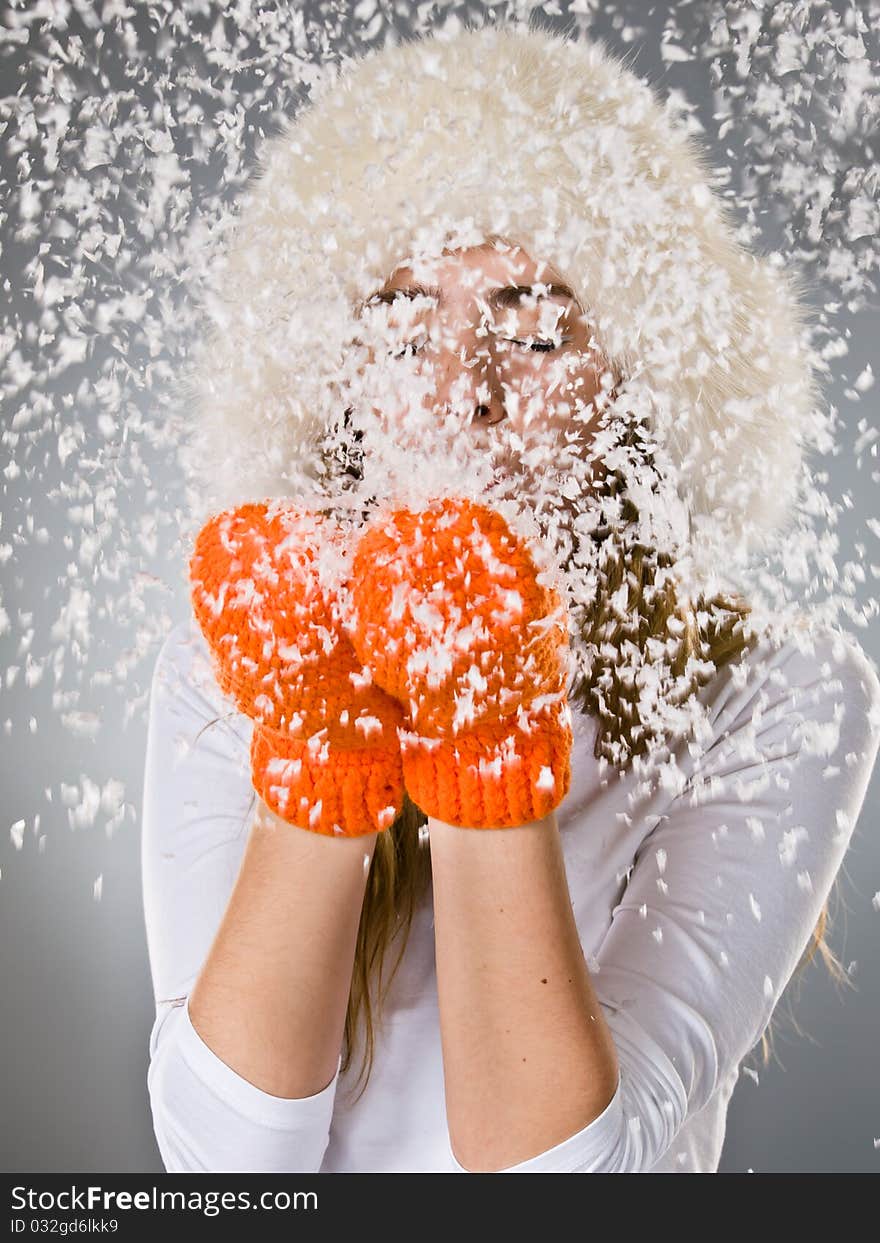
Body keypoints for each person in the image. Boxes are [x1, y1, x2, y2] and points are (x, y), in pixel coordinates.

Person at [141, 23, 880, 1173]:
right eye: (399, 317)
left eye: (534, 328)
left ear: (637, 374)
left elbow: (563, 1179)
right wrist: (319, 755)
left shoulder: (775, 693)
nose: (460, 389)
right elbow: (225, 1175)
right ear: (337, 372)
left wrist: (486, 739)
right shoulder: (252, 646)